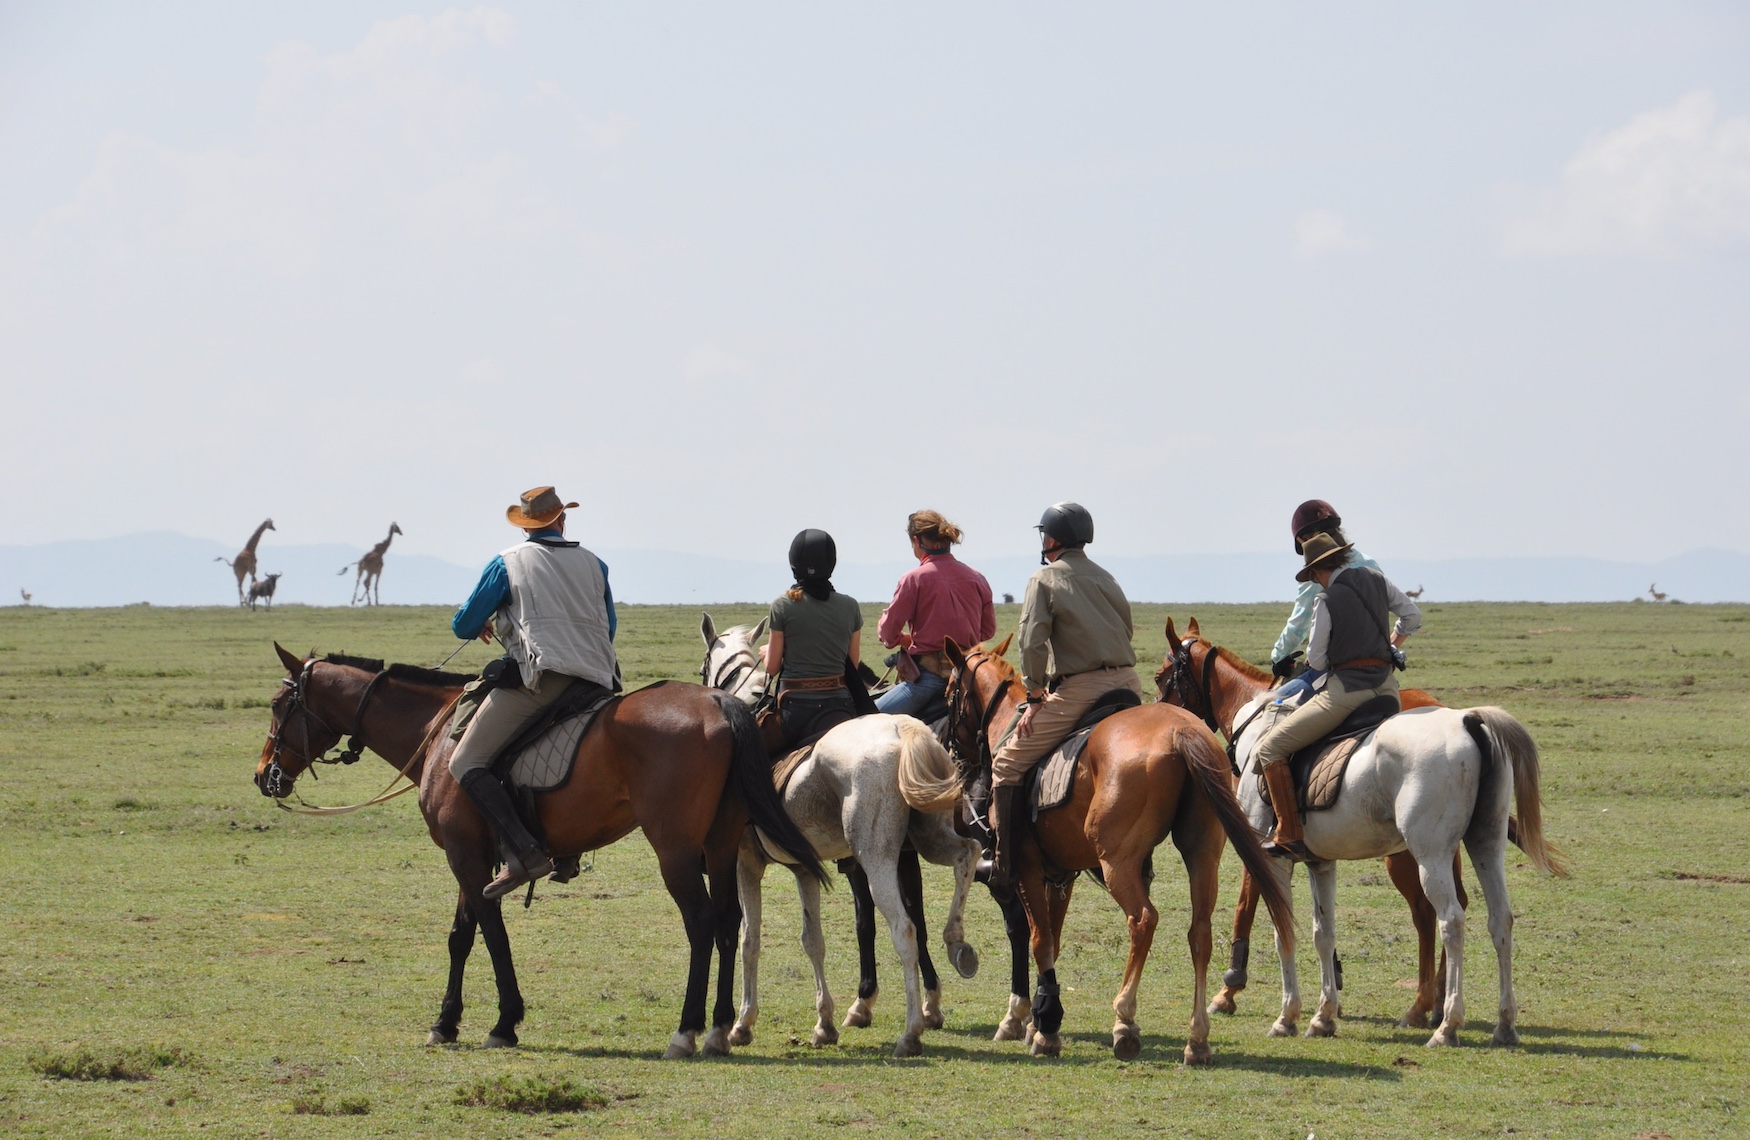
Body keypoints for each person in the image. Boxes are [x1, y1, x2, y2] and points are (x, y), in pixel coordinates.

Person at [448, 486, 619, 900]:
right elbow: (609, 627)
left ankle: (526, 852)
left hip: (545, 678)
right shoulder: (596, 564)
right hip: (598, 678)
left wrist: (486, 622)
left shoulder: (507, 562)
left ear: (525, 526)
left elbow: (464, 625)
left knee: (466, 761)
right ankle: (567, 848)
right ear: (562, 520)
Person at [987, 502, 1142, 888]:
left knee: (1006, 764)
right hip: (1128, 683)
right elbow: (1126, 628)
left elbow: (1032, 641)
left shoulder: (1044, 578)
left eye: (1045, 534)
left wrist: (1036, 694)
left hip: (1081, 689)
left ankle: (1005, 866)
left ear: (1052, 538)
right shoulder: (1108, 577)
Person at [1253, 530, 1421, 862]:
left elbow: (1316, 660)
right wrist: (1389, 645)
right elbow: (1412, 616)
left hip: (1346, 693)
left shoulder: (1325, 600)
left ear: (1316, 571)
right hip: (1388, 690)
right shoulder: (1377, 579)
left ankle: (1288, 832)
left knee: (1270, 748)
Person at [874, 510, 996, 716]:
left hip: (927, 680)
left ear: (916, 540)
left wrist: (904, 639)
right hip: (968, 678)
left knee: (866, 719)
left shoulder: (913, 580)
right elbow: (988, 631)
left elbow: (887, 634)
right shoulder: (977, 577)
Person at [1270, 500, 1386, 694]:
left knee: (1274, 707)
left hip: (1339, 672)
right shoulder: (1370, 563)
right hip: (1381, 668)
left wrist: (1279, 656)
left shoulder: (1318, 572)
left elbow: (1300, 623)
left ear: (1309, 539)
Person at [762, 529, 865, 748]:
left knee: (750, 758)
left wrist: (765, 654)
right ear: (831, 564)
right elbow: (853, 664)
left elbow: (772, 668)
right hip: (840, 707)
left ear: (794, 563)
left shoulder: (782, 605)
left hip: (794, 710)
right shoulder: (851, 606)